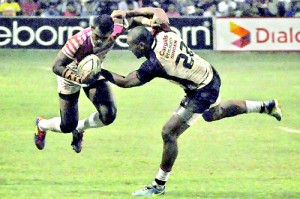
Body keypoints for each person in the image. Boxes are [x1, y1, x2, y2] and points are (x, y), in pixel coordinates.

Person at [104, 7, 283, 196]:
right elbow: (157, 10)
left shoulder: (155, 64)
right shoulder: (165, 33)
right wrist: (129, 13)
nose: (130, 49)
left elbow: (126, 81)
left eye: (131, 45)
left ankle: (159, 185)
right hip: (207, 74)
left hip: (202, 90)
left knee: (169, 132)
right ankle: (266, 107)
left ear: (141, 45)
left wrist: (99, 72)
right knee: (213, 114)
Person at [34, 14, 126, 153]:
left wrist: (145, 19)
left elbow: (120, 18)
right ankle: (42, 125)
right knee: (67, 125)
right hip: (69, 76)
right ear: (92, 28)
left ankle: (80, 128)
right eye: (97, 36)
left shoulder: (115, 32)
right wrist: (79, 79)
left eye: (104, 38)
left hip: (93, 73)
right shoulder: (78, 41)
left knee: (109, 115)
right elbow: (56, 66)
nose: (100, 41)